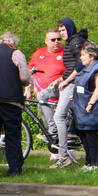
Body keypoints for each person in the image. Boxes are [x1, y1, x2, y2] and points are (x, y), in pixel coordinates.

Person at [0, 31, 31, 180]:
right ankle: (14, 170)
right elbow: (24, 77)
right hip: (10, 101)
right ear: (12, 43)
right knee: (13, 136)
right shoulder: (16, 53)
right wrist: (27, 81)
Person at [49, 17, 88, 167]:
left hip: (73, 84)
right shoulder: (70, 42)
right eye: (59, 30)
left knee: (59, 116)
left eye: (63, 29)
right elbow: (70, 66)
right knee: (42, 96)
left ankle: (63, 156)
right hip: (66, 82)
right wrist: (60, 79)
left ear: (70, 28)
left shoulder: (76, 41)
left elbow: (79, 65)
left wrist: (65, 81)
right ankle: (53, 131)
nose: (61, 33)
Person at [71, 41, 98, 168]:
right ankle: (88, 162)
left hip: (90, 109)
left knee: (90, 135)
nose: (81, 57)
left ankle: (94, 163)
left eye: (83, 55)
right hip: (81, 108)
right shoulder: (87, 68)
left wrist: (90, 104)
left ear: (92, 56)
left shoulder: (97, 69)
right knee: (82, 133)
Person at [27, 28, 64, 161]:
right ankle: (54, 153)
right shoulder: (39, 53)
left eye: (58, 39)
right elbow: (30, 72)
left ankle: (62, 153)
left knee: (58, 125)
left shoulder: (66, 53)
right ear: (46, 41)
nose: (56, 42)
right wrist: (27, 89)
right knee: (48, 126)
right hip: (42, 99)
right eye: (53, 39)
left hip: (59, 96)